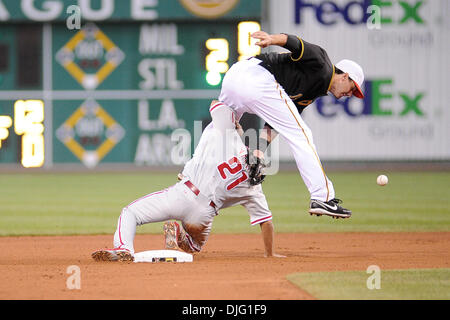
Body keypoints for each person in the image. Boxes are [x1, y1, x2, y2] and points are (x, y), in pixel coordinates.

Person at [92, 101, 285, 262]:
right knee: (195, 247)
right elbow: (266, 222)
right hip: (203, 214)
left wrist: (236, 126)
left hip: (183, 194)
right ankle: (180, 234)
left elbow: (217, 105)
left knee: (130, 213)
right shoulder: (254, 188)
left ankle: (124, 248)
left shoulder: (228, 138)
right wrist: (270, 253)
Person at [216, 31, 365, 219]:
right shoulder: (323, 64)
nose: (350, 94)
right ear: (345, 76)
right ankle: (322, 197)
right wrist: (272, 39)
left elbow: (275, 123)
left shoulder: (312, 90)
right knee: (303, 135)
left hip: (235, 77)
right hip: (257, 77)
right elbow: (295, 43)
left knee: (222, 125)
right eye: (353, 89)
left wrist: (258, 152)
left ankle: (195, 173)